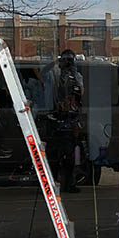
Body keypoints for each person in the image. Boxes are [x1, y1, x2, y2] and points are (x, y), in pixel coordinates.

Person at [42, 49, 84, 193]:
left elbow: (80, 93)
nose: (67, 63)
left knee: (69, 155)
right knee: (53, 155)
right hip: (55, 116)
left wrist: (74, 75)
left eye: (69, 60)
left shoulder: (76, 75)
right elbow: (43, 73)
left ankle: (69, 184)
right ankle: (52, 184)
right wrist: (56, 62)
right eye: (65, 59)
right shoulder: (54, 73)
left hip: (70, 117)